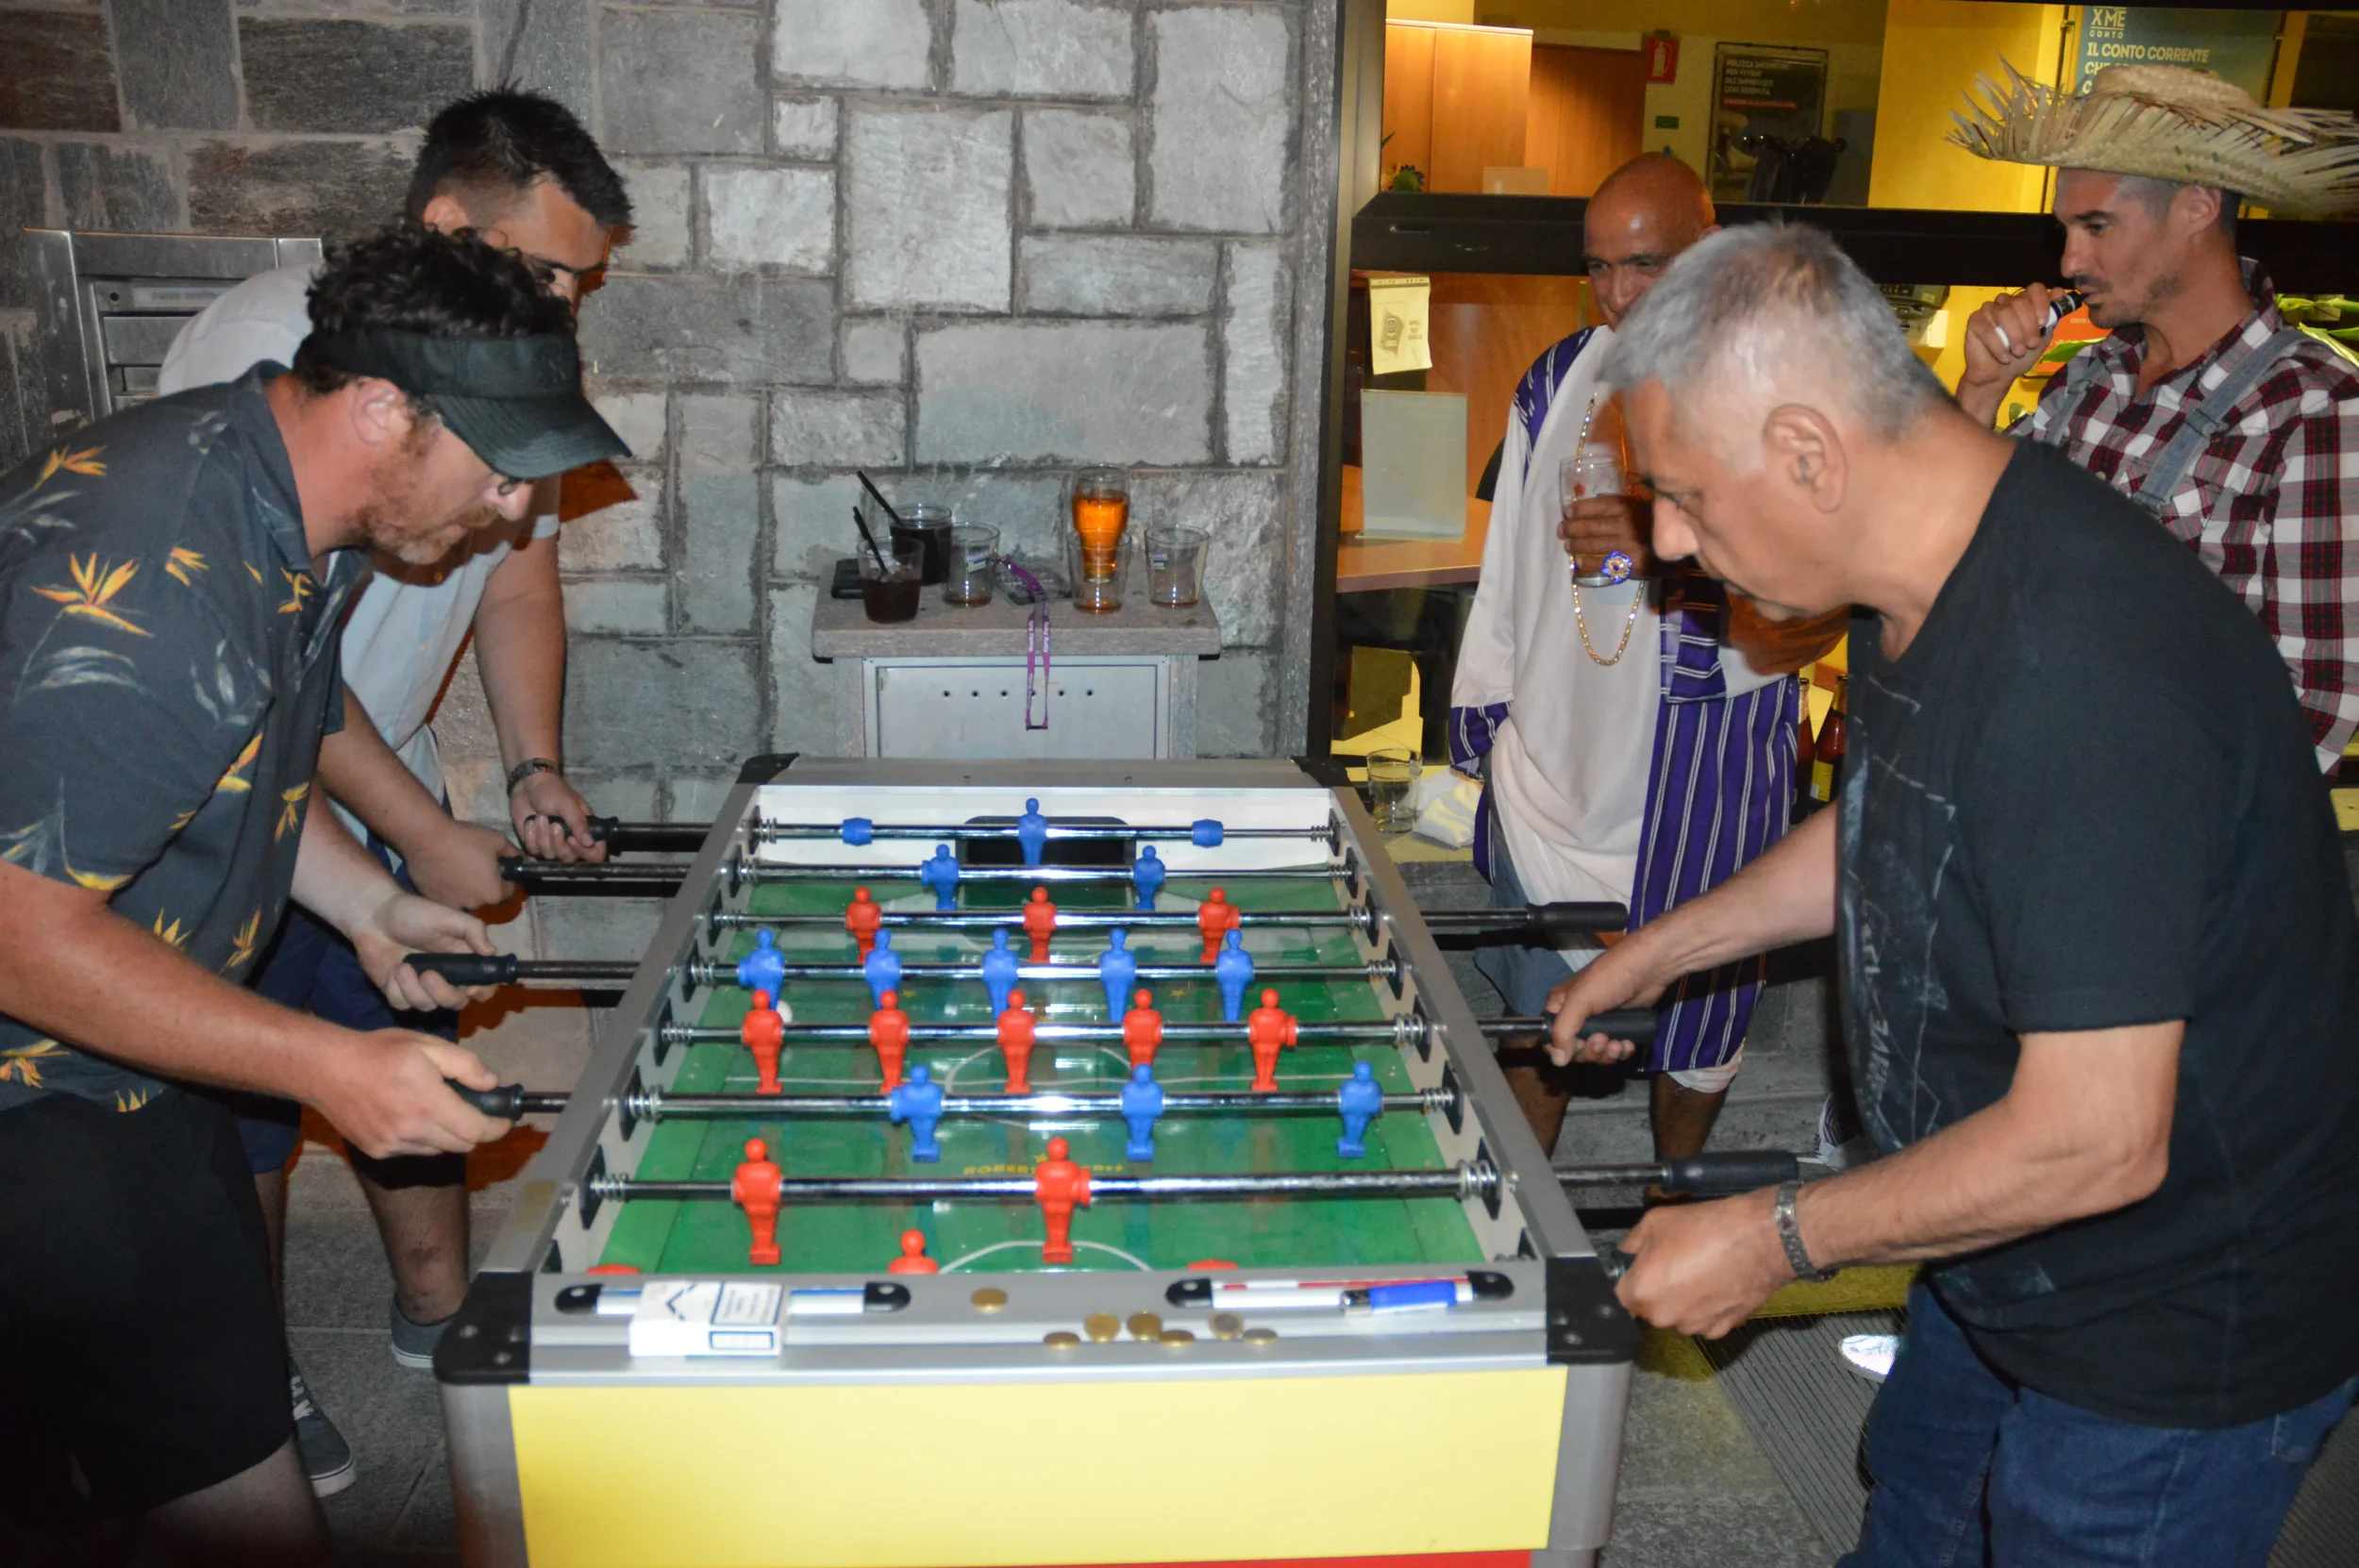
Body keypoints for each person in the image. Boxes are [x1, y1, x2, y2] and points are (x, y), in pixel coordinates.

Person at [1548, 221, 2359, 1564]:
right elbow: (1896, 814)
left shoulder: (2086, 670)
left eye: (1682, 493)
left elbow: (2097, 1137)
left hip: (2172, 1324)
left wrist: (1775, 1237)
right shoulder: (1922, 563)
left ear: (1809, 453)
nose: (1671, 539)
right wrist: (1665, 948)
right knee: (1915, 1514)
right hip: (1992, 1239)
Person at [0, 226, 626, 1562]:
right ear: (384, 408)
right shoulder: (152, 569)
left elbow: (257, 739)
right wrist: (328, 1063)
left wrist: (367, 906)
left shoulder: (295, 510)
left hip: (141, 1050)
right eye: (501, 466)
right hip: (40, 1095)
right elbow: (16, 933)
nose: (516, 509)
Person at [157, 86, 633, 1491]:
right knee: (246, 1095)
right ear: (446, 223)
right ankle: (252, 1371)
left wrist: (528, 767)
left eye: (581, 281)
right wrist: (420, 835)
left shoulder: (509, 363)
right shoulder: (269, 351)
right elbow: (271, 673)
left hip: (370, 791)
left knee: (403, 1035)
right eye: (553, 269)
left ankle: (436, 1309)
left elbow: (518, 578)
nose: (567, 303)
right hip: (236, 799)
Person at [1449, 153, 1832, 1167]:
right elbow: (1508, 568)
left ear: (1708, 249)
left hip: (1701, 776)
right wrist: (1488, 712)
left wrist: (1666, 547)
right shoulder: (1555, 381)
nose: (1619, 294)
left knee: (1700, 1025)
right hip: (1553, 772)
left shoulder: (1783, 398)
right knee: (1540, 1021)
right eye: (1598, 267)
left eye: (1644, 264)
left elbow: (1818, 601)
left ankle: (1671, 1198)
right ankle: (1519, 1213)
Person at [1950, 63, 2359, 770]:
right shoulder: (2095, 375)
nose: (2070, 259)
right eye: (2066, 229)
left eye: (2096, 225)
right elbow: (1950, 538)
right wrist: (1981, 392)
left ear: (2197, 206)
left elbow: (2312, 710)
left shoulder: (2314, 410)